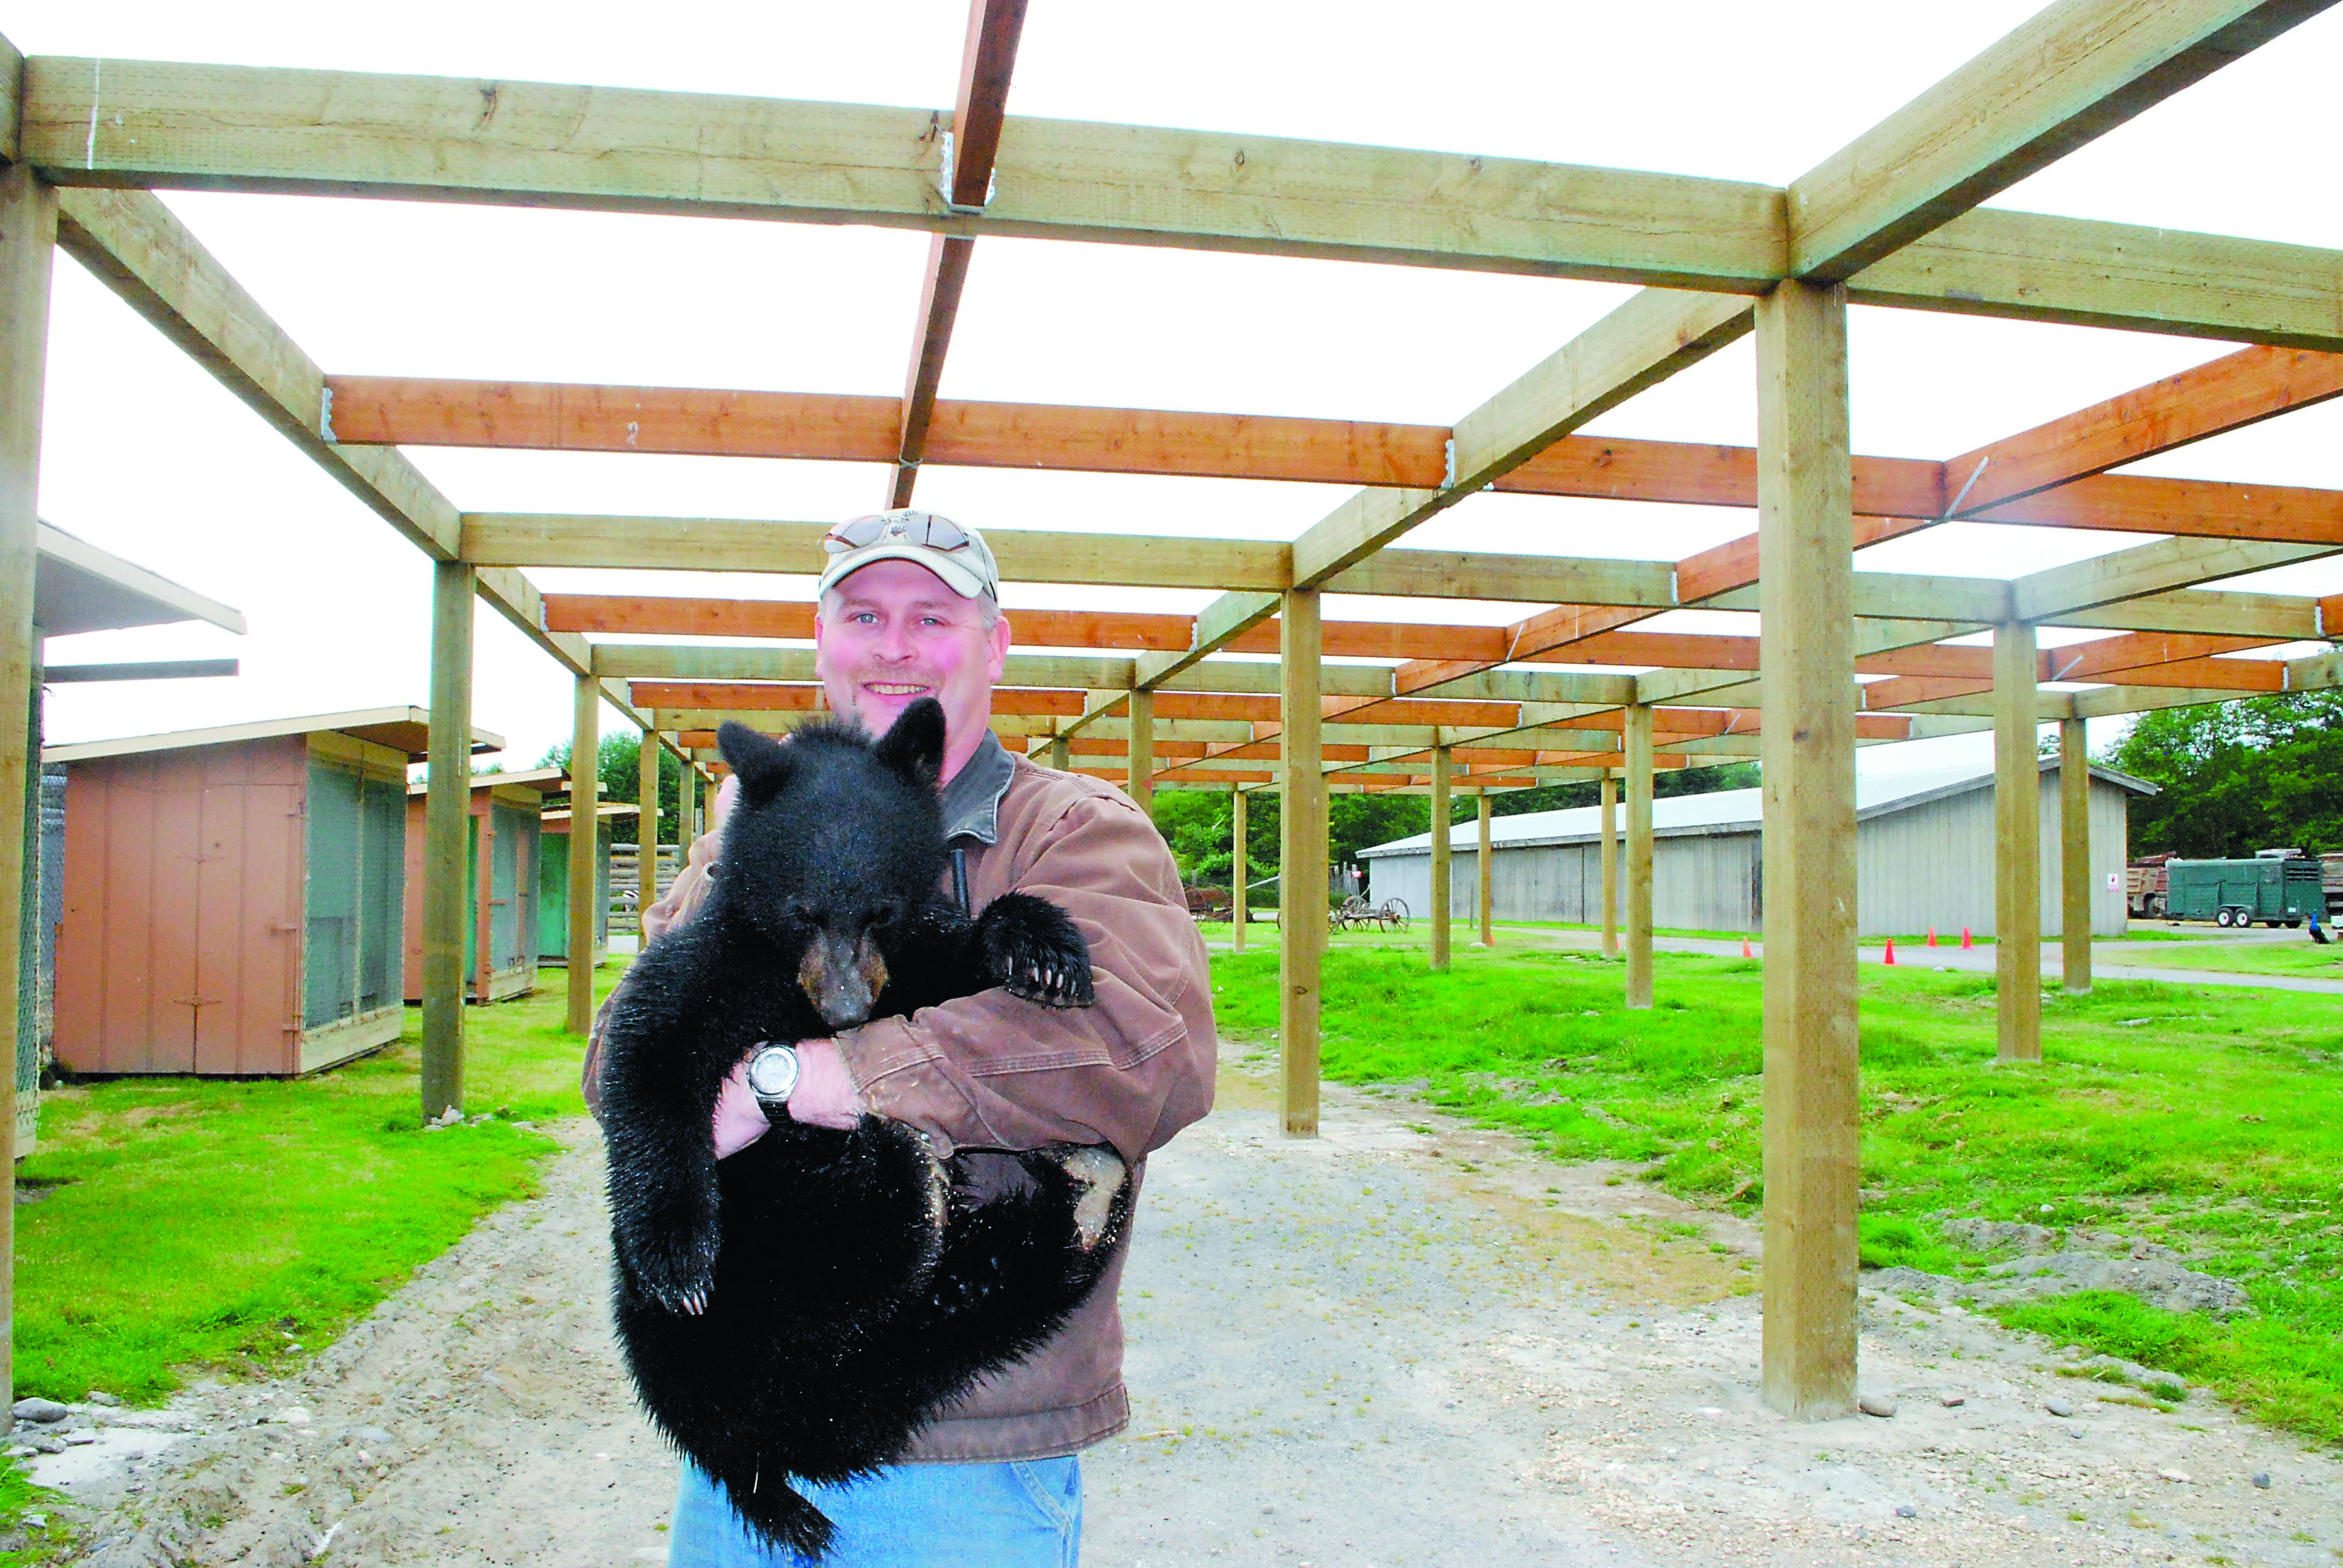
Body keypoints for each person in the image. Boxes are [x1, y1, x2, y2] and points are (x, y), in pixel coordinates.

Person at [584, 509, 1217, 1567]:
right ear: (822, 641)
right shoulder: (752, 827)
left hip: (966, 1454)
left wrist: (801, 1079)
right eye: (864, 614)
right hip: (744, 1428)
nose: (894, 645)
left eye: (933, 616)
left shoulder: (1071, 830)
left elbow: (1145, 1052)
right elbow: (622, 1067)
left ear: (995, 645)